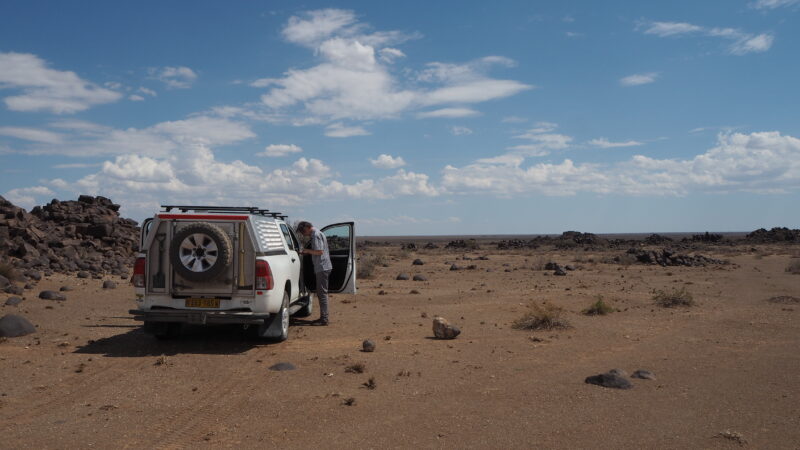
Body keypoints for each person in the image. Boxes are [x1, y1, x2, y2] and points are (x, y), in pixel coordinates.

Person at [296, 221, 332, 326]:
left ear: (307, 228)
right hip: (322, 266)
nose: (303, 234)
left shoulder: (316, 235)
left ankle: (324, 319)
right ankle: (323, 317)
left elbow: (319, 251)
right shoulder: (317, 233)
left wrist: (306, 251)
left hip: (322, 267)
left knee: (322, 294)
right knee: (322, 293)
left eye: (303, 231)